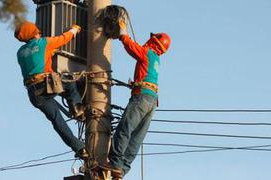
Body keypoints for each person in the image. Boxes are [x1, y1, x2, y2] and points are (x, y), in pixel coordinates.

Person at [101, 20, 171, 178]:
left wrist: (123, 34)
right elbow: (146, 74)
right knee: (137, 137)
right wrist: (136, 83)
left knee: (124, 129)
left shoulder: (148, 52)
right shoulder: (156, 59)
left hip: (142, 97)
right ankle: (122, 169)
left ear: (154, 42)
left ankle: (115, 164)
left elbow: (132, 48)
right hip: (152, 100)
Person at [14, 21, 88, 159]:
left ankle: (80, 149)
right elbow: (63, 38)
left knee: (56, 120)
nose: (39, 32)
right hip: (46, 84)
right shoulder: (43, 43)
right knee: (69, 82)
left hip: (34, 94)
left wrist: (48, 53)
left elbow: (34, 60)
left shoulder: (20, 52)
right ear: (33, 33)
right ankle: (77, 108)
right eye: (37, 31)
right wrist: (74, 30)